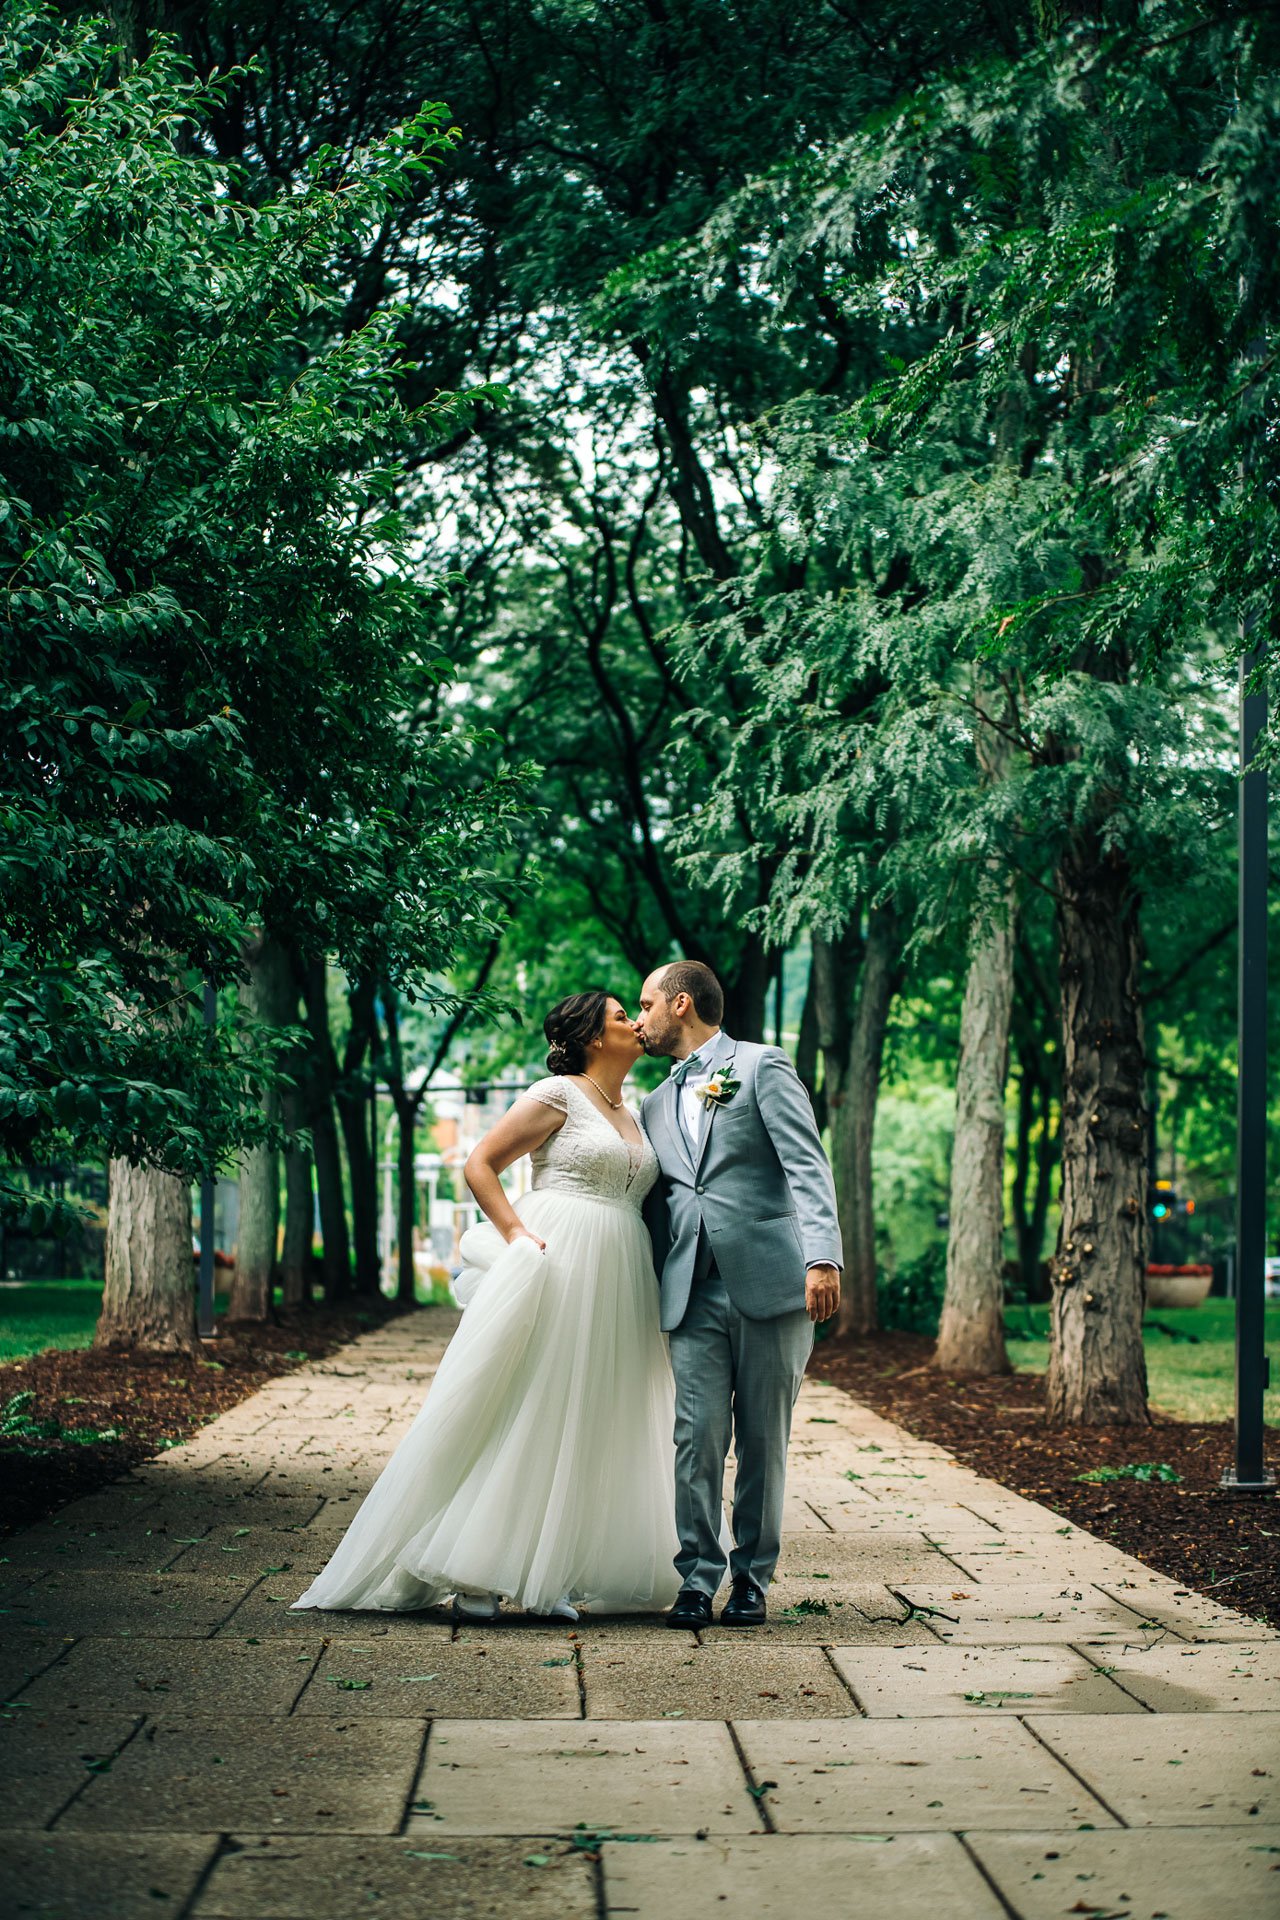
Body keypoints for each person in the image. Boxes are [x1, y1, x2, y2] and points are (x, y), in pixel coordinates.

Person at [291, 990, 680, 1621]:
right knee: (534, 1399)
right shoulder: (556, 1094)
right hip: (562, 1254)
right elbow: (481, 1164)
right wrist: (516, 1234)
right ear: (589, 1037)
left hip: (622, 1267)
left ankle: (552, 1567)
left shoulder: (632, 1110)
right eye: (619, 1016)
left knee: (595, 1410)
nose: (634, 1022)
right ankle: (477, 1570)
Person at [636, 959, 843, 1629]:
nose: (639, 1018)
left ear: (683, 1004)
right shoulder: (654, 1102)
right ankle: (697, 1577)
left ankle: (751, 1579)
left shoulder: (761, 1067)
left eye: (646, 1004)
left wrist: (823, 1258)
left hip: (773, 1287)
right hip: (691, 1292)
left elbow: (806, 1164)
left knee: (762, 1441)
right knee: (694, 1439)